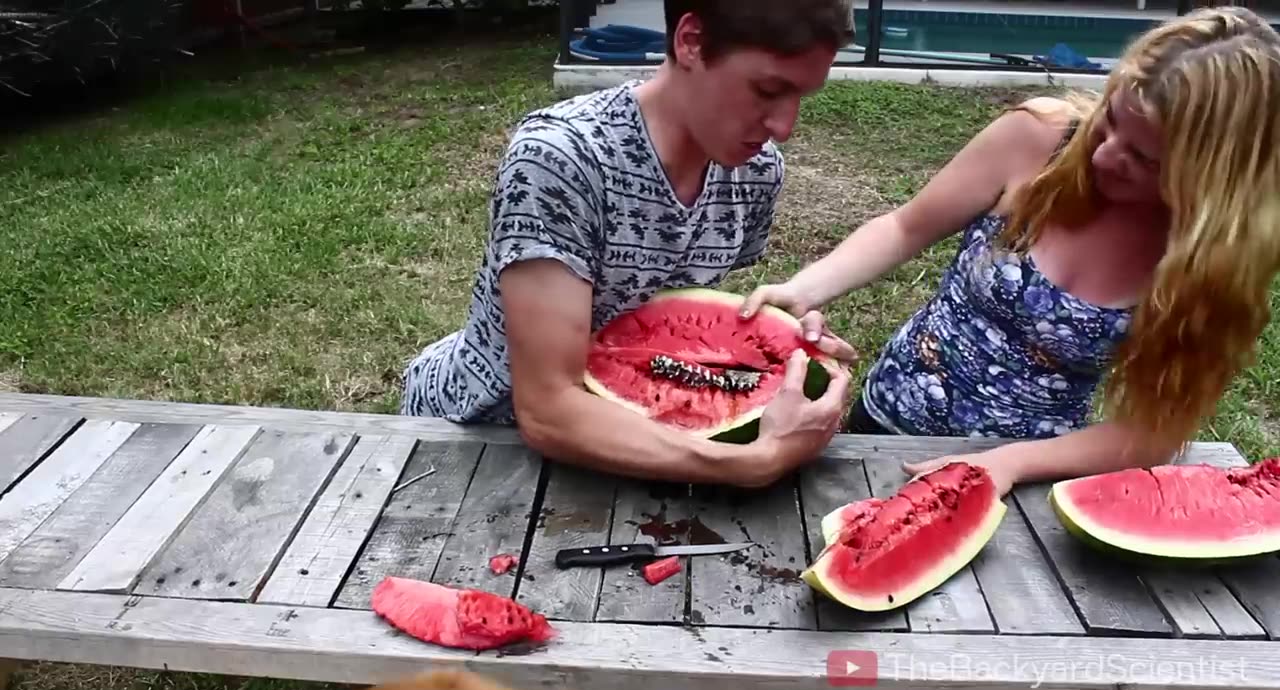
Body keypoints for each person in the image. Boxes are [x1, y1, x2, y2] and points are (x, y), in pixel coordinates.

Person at [741, 6, 1280, 497]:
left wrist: (1010, 464)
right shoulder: (1040, 137)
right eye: (1110, 120)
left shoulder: (1211, 262)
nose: (1105, 155)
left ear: (1212, 178)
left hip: (1024, 475)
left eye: (1145, 159)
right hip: (886, 421)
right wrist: (803, 288)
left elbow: (1154, 432)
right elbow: (905, 227)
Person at [399, 0, 857, 488]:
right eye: (768, 90)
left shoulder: (757, 172)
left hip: (632, 448)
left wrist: (778, 353)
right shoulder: (561, 158)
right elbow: (547, 406)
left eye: (802, 96)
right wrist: (752, 463)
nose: (783, 127)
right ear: (691, 41)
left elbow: (661, 327)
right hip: (472, 442)